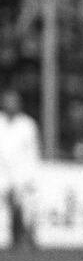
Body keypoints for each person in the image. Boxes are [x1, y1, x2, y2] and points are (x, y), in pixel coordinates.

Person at [0, 89, 41, 251]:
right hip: (2, 173)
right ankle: (8, 239)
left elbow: (32, 153)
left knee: (27, 207)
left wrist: (28, 177)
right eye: (8, 101)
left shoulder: (27, 124)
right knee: (5, 210)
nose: (11, 104)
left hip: (22, 173)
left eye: (14, 101)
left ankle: (28, 237)